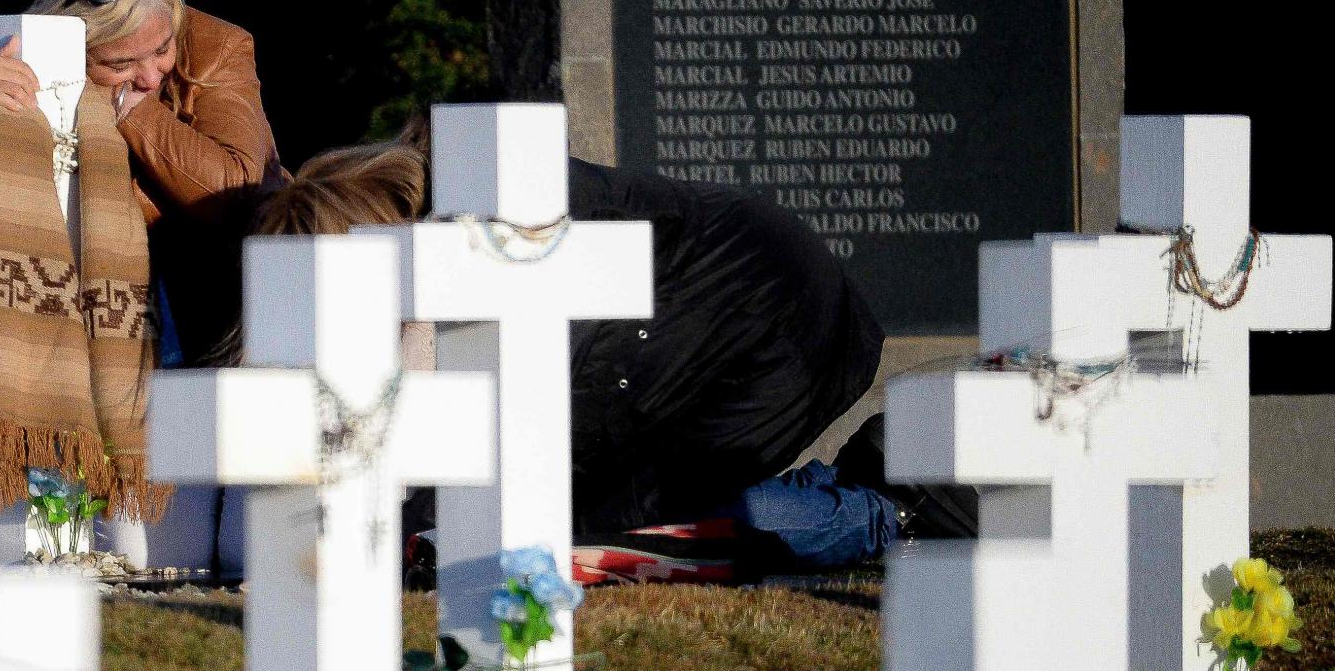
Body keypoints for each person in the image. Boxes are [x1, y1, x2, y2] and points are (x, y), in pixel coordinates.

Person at [251, 130, 964, 580]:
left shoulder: (497, 232)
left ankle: (880, 510)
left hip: (763, 332)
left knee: (611, 534)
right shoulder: (454, 201)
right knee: (560, 522)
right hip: (718, 316)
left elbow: (508, 434)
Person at [0, 0, 284, 568]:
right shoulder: (22, 62)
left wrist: (131, 114)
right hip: (50, 324)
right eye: (120, 63)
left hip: (193, 311)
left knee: (161, 554)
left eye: (162, 48)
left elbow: (233, 186)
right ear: (74, 48)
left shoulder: (217, 49)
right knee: (44, 547)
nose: (152, 73)